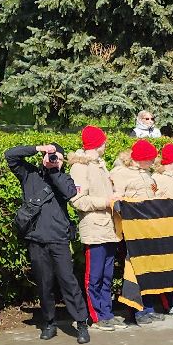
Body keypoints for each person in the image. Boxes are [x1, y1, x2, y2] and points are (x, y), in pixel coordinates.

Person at [7, 142, 90, 342]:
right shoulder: (30, 175)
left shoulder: (64, 178)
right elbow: (10, 155)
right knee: (44, 284)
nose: (54, 161)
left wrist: (54, 172)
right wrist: (38, 149)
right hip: (36, 239)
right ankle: (49, 323)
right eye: (52, 157)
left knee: (68, 281)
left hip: (59, 238)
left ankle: (81, 324)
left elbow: (70, 193)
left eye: (58, 158)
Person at [68, 126, 125, 331]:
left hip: (108, 229)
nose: (106, 144)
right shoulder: (80, 168)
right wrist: (106, 201)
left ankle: (107, 313)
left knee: (107, 275)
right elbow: (79, 200)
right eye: (104, 141)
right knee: (95, 276)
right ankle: (96, 316)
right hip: (94, 228)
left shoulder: (100, 164)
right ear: (97, 144)